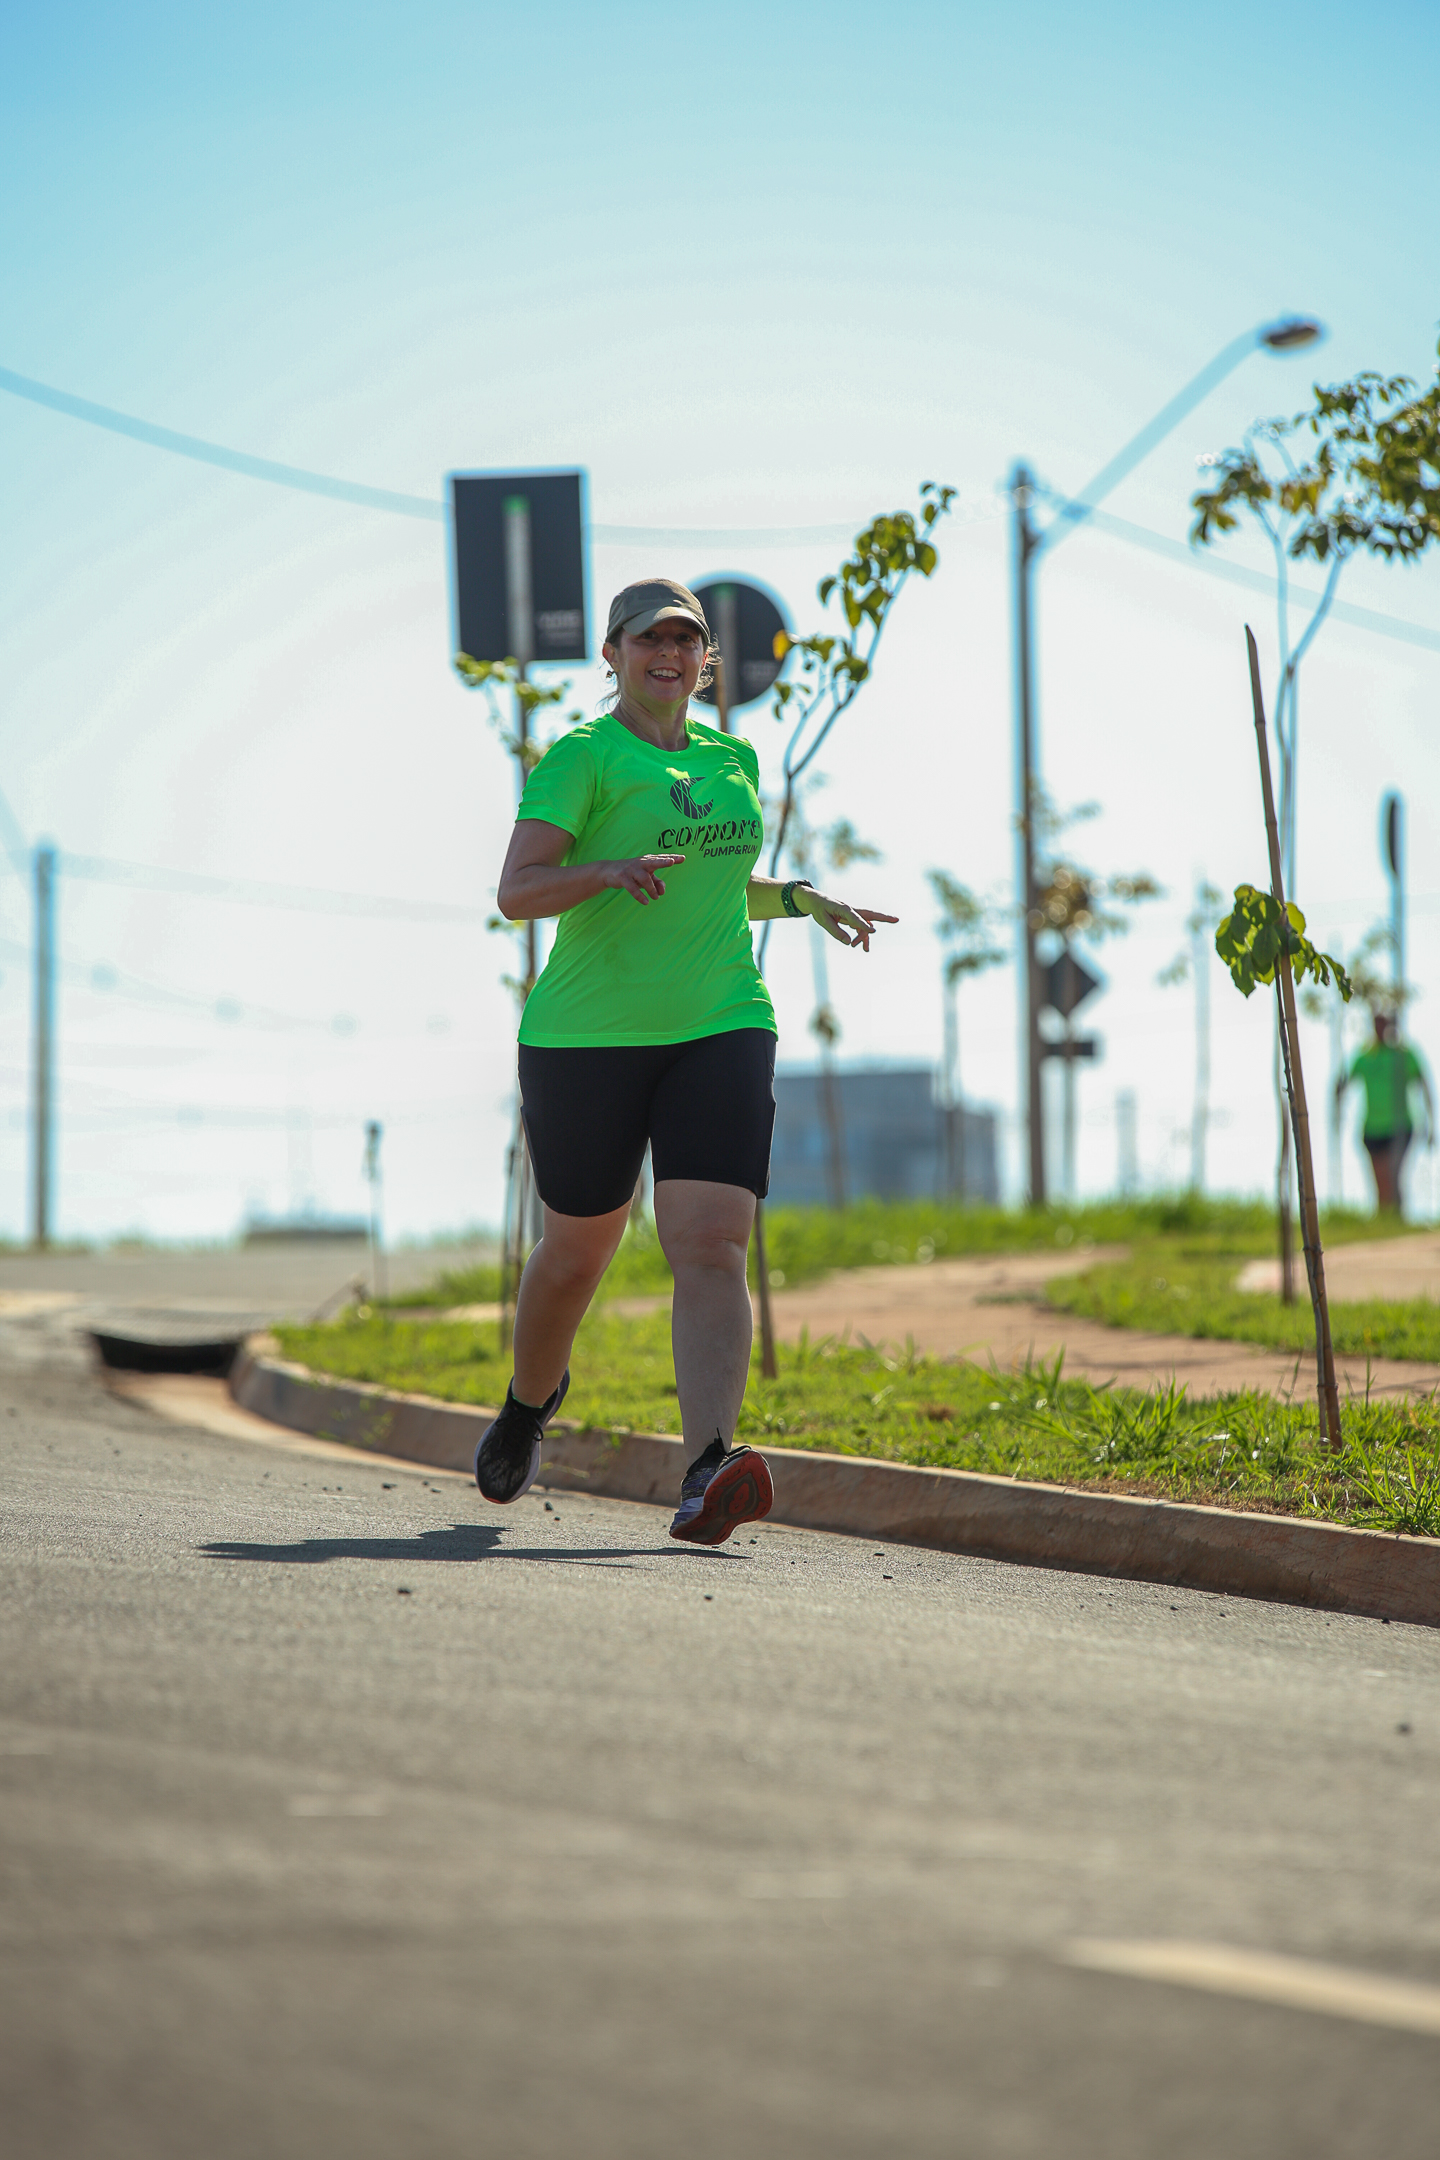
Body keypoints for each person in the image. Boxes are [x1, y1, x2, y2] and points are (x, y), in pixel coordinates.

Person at [473, 577, 896, 1544]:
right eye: (648, 639)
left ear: (706, 660)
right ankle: (528, 1405)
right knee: (579, 1251)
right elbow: (518, 890)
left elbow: (714, 884)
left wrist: (797, 898)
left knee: (710, 1242)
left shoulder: (731, 756)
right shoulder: (582, 757)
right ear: (612, 655)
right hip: (587, 1037)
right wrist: (603, 871)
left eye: (685, 640)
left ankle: (708, 1468)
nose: (669, 654)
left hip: (721, 1019)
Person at [1335, 1010, 1433, 1215]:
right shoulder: (1365, 1056)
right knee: (1381, 1183)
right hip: (1372, 1128)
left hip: (1400, 1127)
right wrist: (1337, 1106)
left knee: (1393, 1176)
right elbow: (1344, 1084)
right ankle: (1387, 1219)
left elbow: (1423, 1084)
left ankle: (1396, 1217)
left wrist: (1430, 1122)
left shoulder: (1403, 1055)